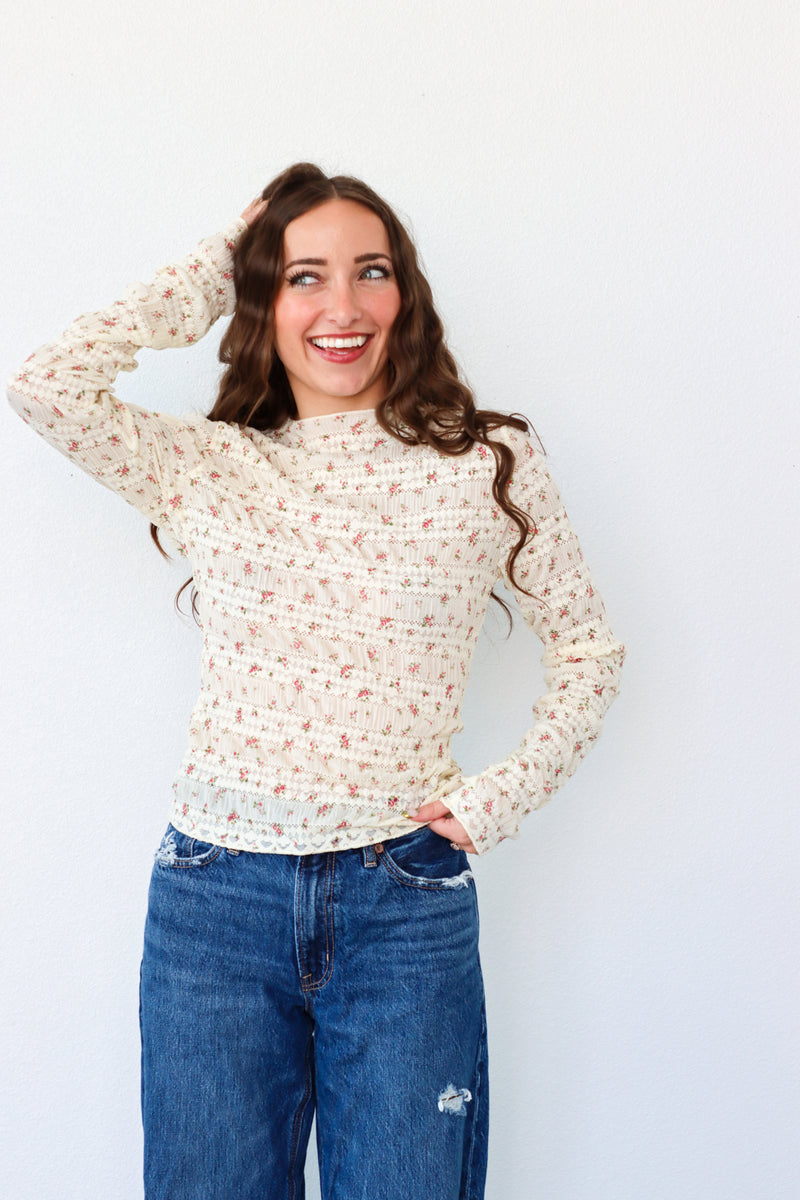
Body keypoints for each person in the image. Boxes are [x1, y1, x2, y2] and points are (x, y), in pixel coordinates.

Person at [7, 163, 624, 1200]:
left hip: (402, 900)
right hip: (214, 901)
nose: (341, 307)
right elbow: (43, 386)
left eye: (369, 273)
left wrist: (493, 801)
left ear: (404, 296)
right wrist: (222, 259)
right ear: (263, 300)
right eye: (302, 277)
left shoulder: (485, 460)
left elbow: (588, 649)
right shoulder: (210, 464)